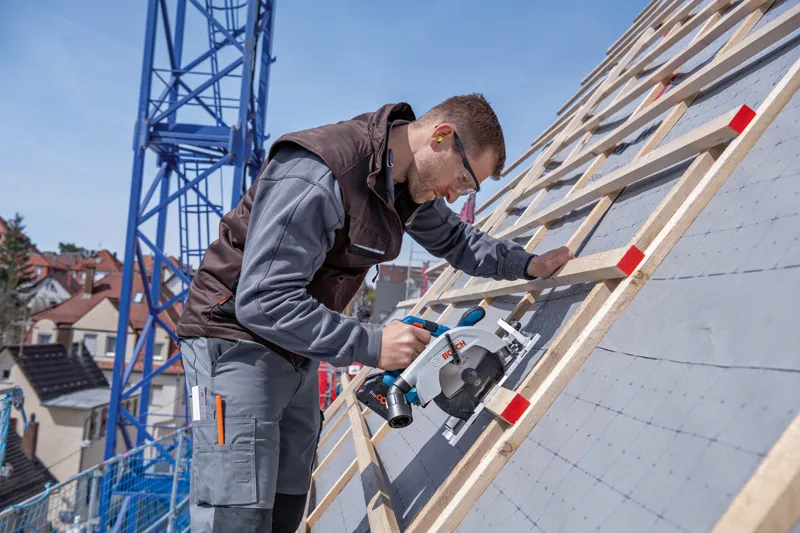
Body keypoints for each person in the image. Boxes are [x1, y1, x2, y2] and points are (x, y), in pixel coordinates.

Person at [175, 93, 574, 532]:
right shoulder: (321, 172)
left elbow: (457, 241)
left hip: (294, 344)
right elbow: (263, 298)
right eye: (463, 181)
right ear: (441, 137)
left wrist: (526, 264)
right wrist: (375, 344)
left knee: (287, 500)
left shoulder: (400, 184)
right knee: (238, 512)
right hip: (233, 341)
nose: (455, 196)